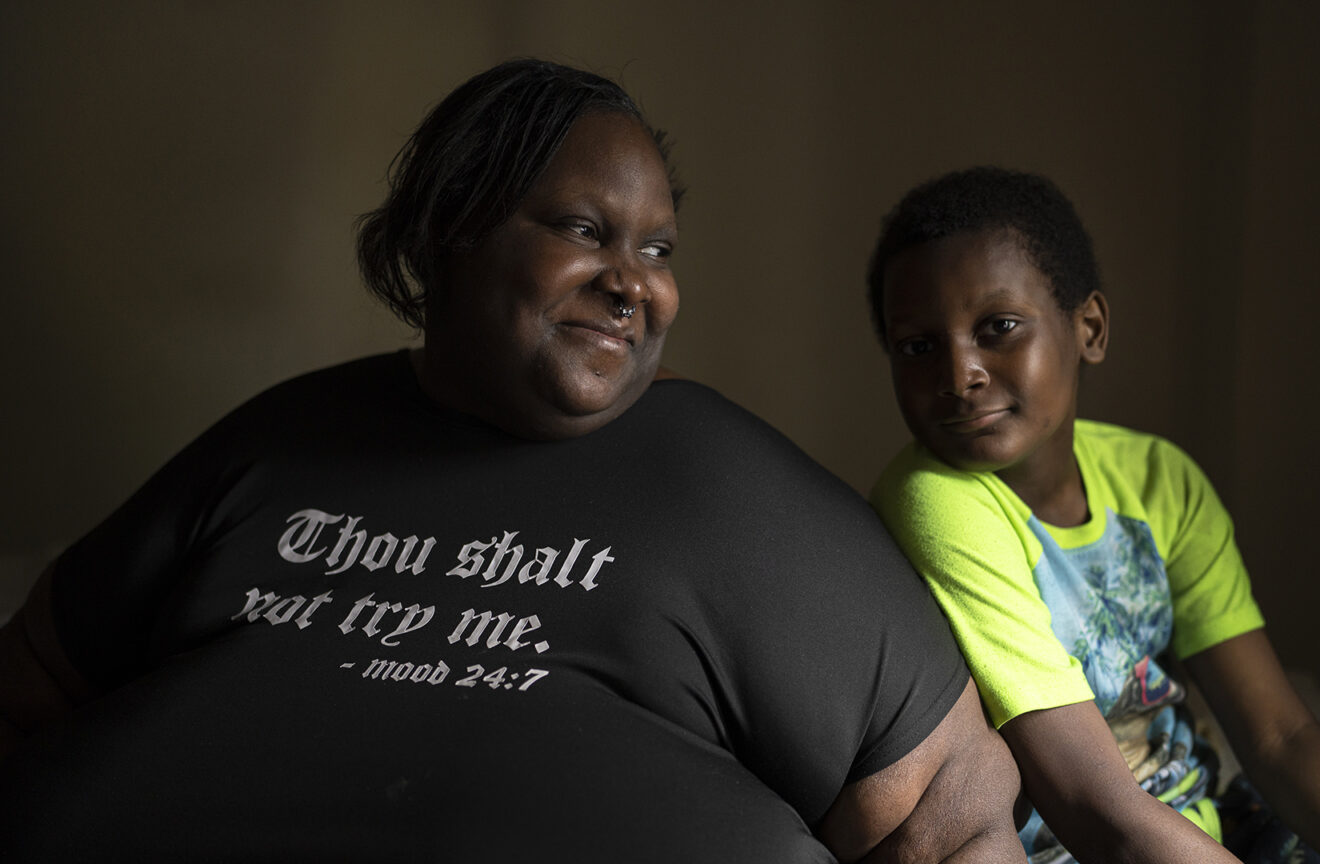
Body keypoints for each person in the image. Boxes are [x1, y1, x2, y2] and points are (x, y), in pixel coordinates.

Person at [0, 61, 1026, 863]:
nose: (635, 285)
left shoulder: (733, 492)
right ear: (455, 229)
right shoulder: (284, 439)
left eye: (659, 251)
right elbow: (35, 675)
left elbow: (955, 824)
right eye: (586, 231)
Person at [863, 166, 1320, 863]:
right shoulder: (936, 503)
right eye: (917, 346)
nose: (958, 372)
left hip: (1223, 831)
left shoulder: (1159, 482)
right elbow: (1100, 812)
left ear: (1088, 327)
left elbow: (1280, 739)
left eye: (998, 327)